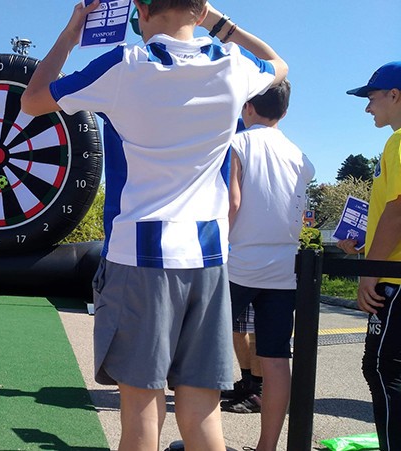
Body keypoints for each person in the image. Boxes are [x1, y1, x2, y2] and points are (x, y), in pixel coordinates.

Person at [21, 1, 287, 449]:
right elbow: (279, 65)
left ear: (140, 9)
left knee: (141, 416)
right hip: (207, 255)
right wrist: (223, 26)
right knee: (203, 415)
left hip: (139, 255)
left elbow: (32, 101)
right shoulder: (233, 65)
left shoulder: (124, 65)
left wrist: (71, 33)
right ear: (200, 10)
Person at [227, 80, 315, 450]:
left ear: (247, 106)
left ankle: (201, 438)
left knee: (202, 348)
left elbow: (231, 203)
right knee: (277, 359)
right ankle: (267, 446)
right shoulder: (301, 157)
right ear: (284, 111)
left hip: (236, 264)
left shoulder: (238, 143)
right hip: (283, 270)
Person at [338, 61, 401, 451]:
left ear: (395, 95)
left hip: (394, 279)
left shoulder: (398, 142)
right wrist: (365, 244)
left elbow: (398, 210)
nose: (367, 108)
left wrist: (368, 272)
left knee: (382, 369)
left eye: (372, 98)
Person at [222, 304, 263, 413]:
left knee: (255, 329)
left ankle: (258, 391)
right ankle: (247, 383)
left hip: (257, 288)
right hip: (241, 287)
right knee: (238, 327)